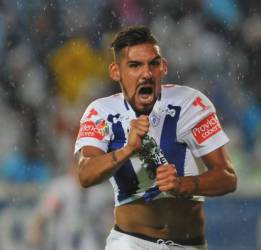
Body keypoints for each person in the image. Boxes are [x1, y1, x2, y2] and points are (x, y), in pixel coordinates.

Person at [74, 25, 237, 250]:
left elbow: (227, 178)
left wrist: (184, 184)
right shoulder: (100, 112)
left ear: (164, 67)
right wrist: (126, 150)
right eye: (134, 65)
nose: (146, 73)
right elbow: (85, 174)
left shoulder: (191, 103)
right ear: (115, 71)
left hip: (189, 244)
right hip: (131, 242)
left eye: (154, 63)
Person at [28, 161, 114, 250]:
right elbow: (43, 214)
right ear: (72, 169)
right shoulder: (60, 188)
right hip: (63, 239)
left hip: (90, 240)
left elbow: (111, 220)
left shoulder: (100, 191)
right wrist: (36, 230)